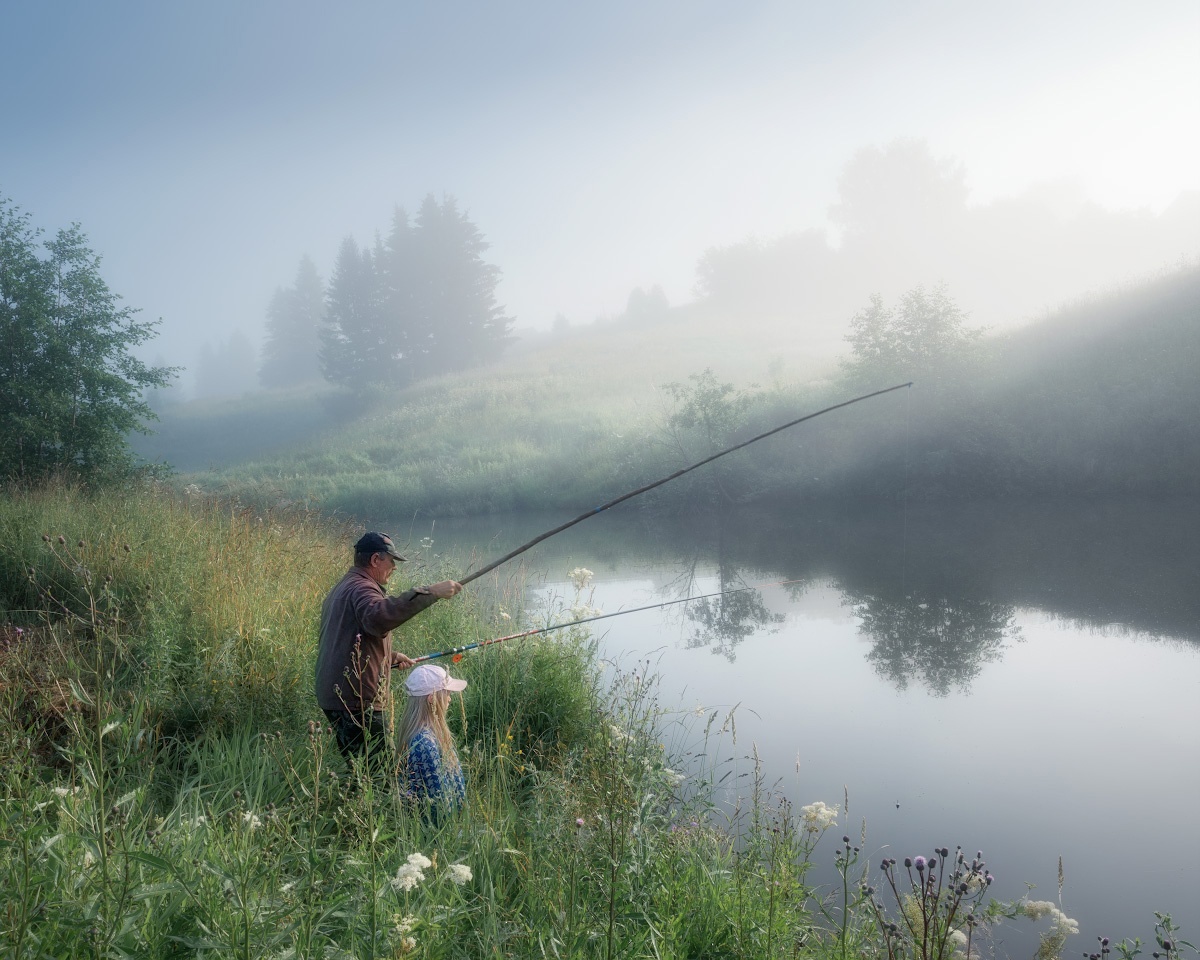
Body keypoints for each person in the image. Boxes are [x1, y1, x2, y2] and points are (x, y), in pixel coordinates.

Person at [315, 531, 462, 772]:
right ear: (375, 560)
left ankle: (358, 804)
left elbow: (349, 637)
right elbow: (378, 617)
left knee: (360, 770)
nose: (394, 567)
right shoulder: (362, 589)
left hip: (338, 696)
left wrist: (389, 657)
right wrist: (431, 592)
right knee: (380, 775)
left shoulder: (345, 587)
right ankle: (373, 808)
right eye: (391, 561)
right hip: (356, 700)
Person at [398, 663, 467, 824]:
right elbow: (437, 799)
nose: (450, 698)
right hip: (439, 834)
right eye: (447, 693)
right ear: (432, 699)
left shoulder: (427, 734)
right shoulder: (424, 743)